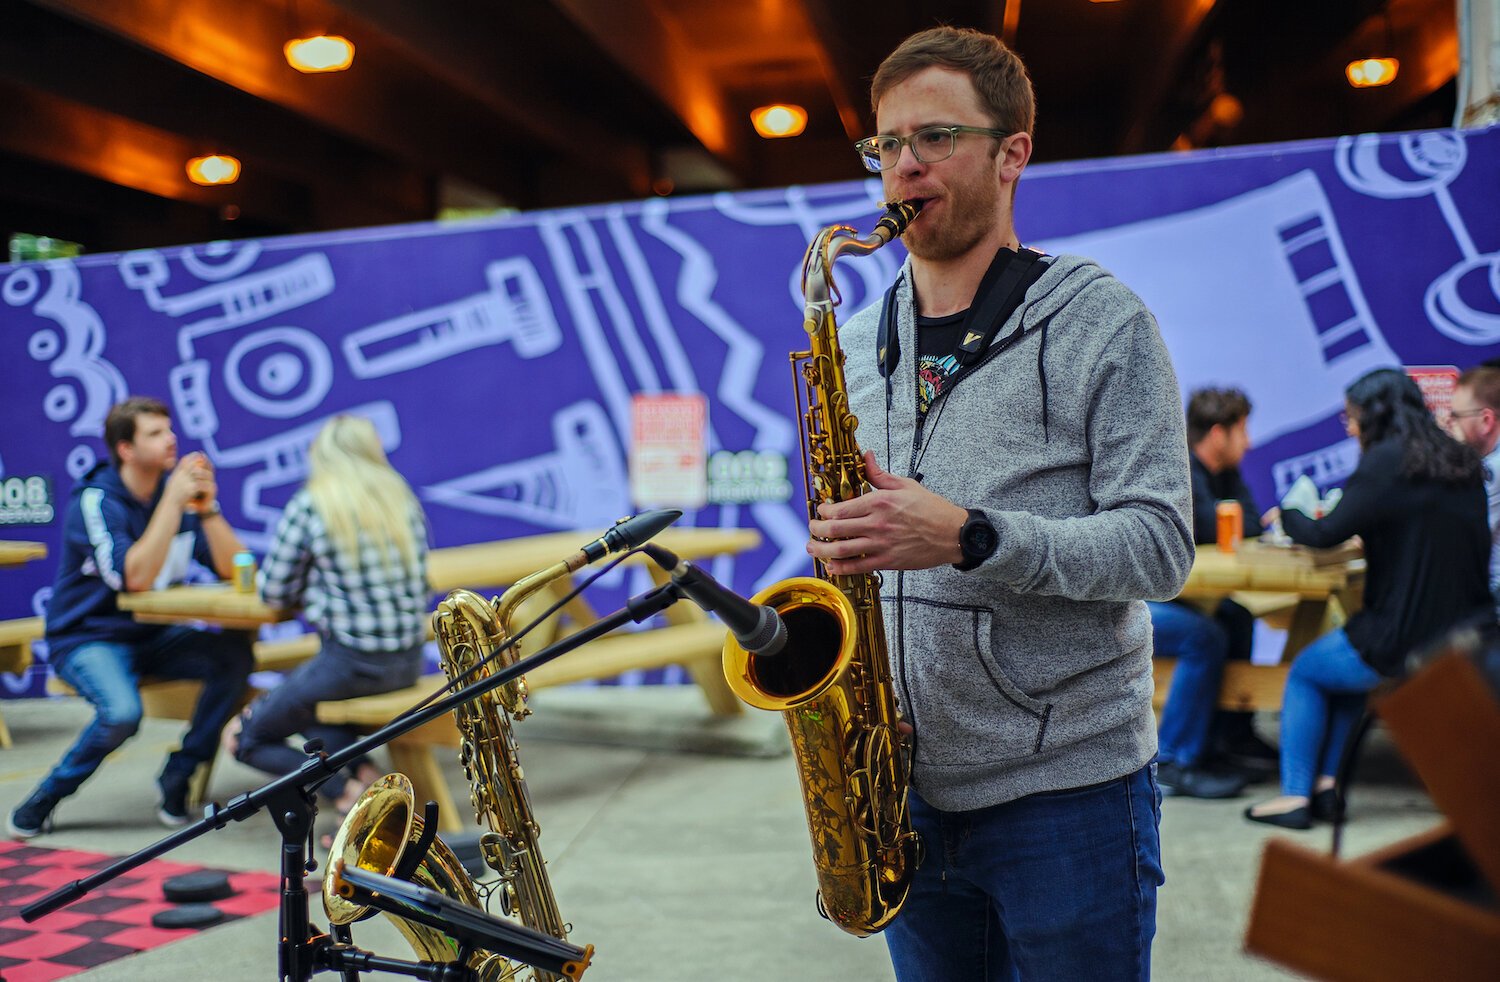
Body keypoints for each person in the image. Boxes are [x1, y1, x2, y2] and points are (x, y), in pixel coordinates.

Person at [804, 26, 1192, 981]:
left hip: (1068, 796)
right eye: (886, 146)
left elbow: (1161, 547)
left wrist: (973, 537)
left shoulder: (1105, 322)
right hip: (900, 786)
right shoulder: (851, 342)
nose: (902, 168)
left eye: (933, 137)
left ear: (1012, 152)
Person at [1245, 368, 1491, 829]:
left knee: (1306, 672)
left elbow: (1324, 532)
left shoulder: (1385, 461)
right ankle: (1327, 789)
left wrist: (1290, 513)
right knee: (1342, 678)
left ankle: (1294, 796)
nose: (1351, 427)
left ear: (1373, 417)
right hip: (1467, 635)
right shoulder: (1458, 458)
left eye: (1352, 418)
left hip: (1403, 637)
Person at [7, 397, 254, 838]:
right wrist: (172, 504)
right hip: (87, 637)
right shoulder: (97, 501)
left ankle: (179, 773)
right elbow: (133, 577)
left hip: (151, 636)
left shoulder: (172, 497)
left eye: (169, 429)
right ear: (125, 448)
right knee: (122, 713)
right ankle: (46, 796)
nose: (171, 439)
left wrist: (207, 508)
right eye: (156, 433)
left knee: (234, 656)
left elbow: (230, 567)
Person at [227, 415, 429, 817]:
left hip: (349, 665)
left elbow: (274, 591)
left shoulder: (314, 504)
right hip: (407, 663)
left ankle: (345, 791)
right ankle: (368, 777)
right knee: (312, 717)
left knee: (244, 738)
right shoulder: (399, 499)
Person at [1147, 388, 1276, 799]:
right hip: (1130, 603)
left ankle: (1228, 740)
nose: (1249, 442)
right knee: (1204, 635)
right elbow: (1200, 526)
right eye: (1242, 431)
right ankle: (1172, 762)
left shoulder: (1226, 474)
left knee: (1235, 615)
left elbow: (1251, 524)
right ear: (1219, 434)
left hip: (1180, 594)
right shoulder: (1179, 470)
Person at [1446, 365, 1500, 610]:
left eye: (1456, 416)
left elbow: (1462, 538)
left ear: (1486, 420)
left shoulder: (1493, 470)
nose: (1448, 424)